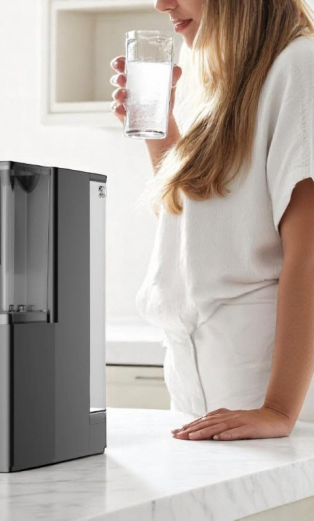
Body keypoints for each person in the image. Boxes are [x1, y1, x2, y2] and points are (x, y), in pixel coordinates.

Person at [110, 0, 314, 441]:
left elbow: (309, 255)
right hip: (198, 393)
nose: (161, 4)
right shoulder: (217, 82)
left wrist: (278, 410)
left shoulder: (300, 67)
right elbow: (194, 220)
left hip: (271, 399)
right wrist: (162, 131)